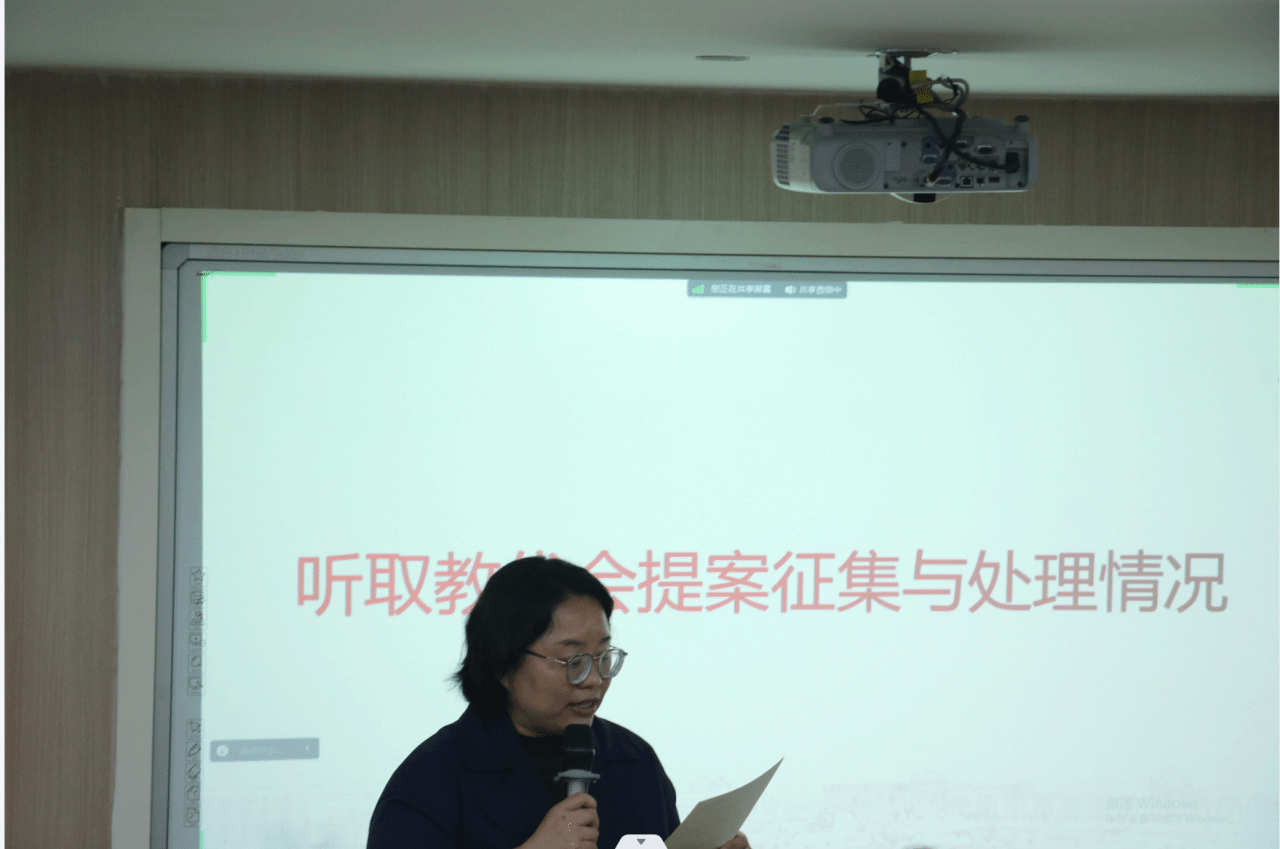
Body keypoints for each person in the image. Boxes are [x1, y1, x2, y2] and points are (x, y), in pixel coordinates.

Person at [367, 556, 749, 849]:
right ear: (502, 663)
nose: (595, 679)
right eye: (573, 661)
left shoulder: (633, 759)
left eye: (603, 656)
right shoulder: (432, 779)